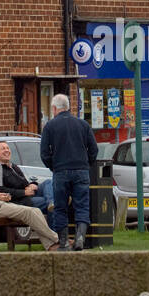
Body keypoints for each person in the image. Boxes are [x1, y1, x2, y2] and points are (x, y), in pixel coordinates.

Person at [40, 93, 98, 250]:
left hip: (61, 171)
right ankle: (80, 238)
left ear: (54, 108)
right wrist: (86, 164)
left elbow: (44, 153)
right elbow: (94, 149)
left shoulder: (50, 126)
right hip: (81, 170)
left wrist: (54, 166)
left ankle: (64, 242)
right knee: (82, 206)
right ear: (68, 107)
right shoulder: (83, 125)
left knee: (60, 207)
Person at [0, 140, 54, 225]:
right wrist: (23, 192)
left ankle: (52, 202)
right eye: (3, 149)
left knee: (48, 182)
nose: (7, 150)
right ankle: (55, 234)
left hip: (28, 194)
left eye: (7, 148)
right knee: (51, 203)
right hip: (18, 201)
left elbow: (24, 183)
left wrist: (32, 185)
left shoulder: (13, 166)